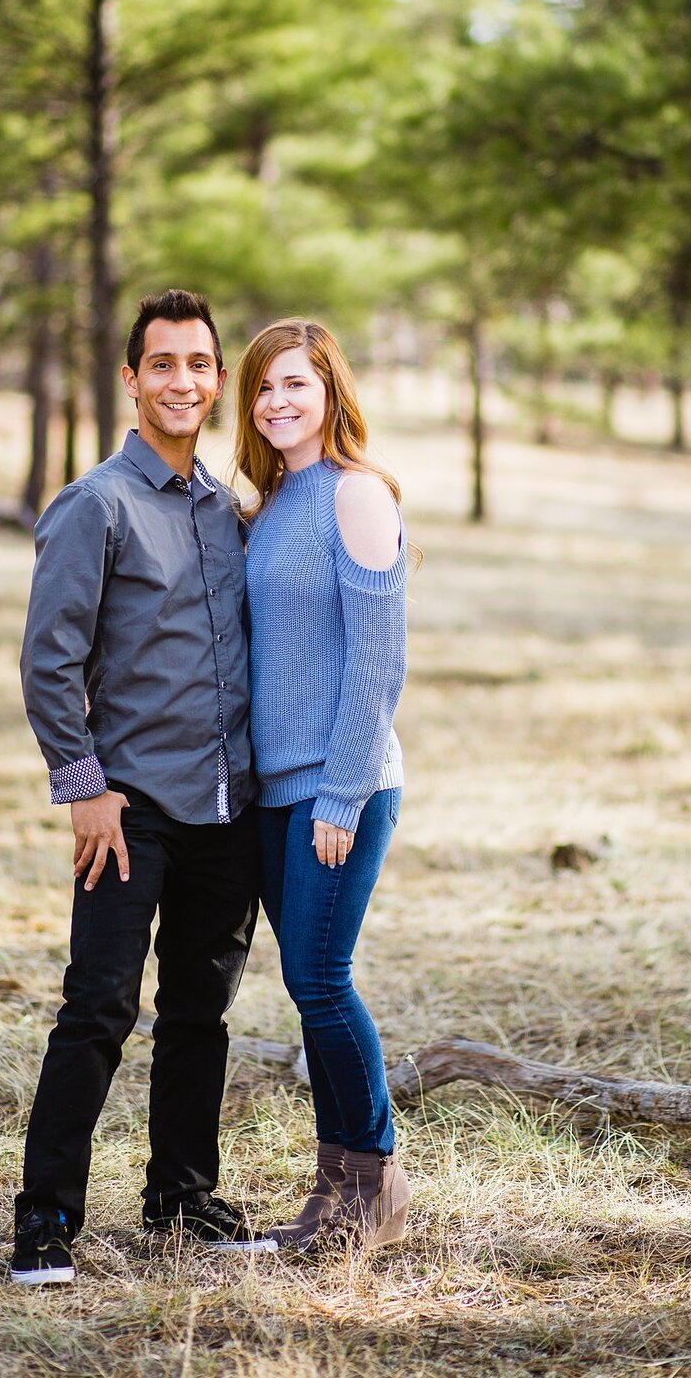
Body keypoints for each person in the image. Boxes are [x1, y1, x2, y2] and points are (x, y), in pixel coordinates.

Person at [10, 289, 257, 1285]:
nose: (182, 381)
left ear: (216, 380)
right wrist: (84, 787)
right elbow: (48, 660)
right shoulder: (95, 505)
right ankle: (46, 1219)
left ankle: (181, 1196)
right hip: (130, 808)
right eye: (163, 364)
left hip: (227, 807)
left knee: (201, 1012)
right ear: (132, 379)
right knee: (100, 1008)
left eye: (198, 364)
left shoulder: (229, 509)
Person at [234, 319, 410, 1251]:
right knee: (308, 989)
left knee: (321, 979)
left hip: (341, 789)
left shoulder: (357, 495)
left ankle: (372, 1188)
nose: (278, 402)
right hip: (274, 791)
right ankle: (335, 1195)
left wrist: (341, 793)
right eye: (263, 388)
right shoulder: (268, 508)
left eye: (296, 384)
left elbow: (378, 662)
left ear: (331, 390)